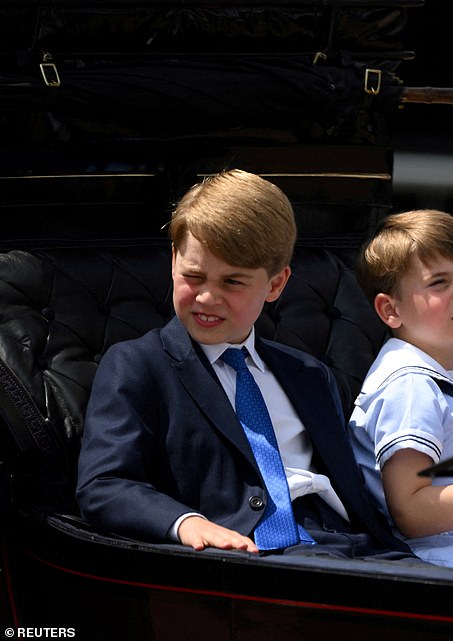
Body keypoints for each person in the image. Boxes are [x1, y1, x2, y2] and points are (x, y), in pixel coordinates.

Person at [76, 169, 411, 561]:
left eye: (232, 283)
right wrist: (187, 523)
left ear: (275, 285)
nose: (206, 297)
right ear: (172, 261)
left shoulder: (308, 375)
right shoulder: (138, 365)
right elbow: (104, 483)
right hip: (249, 557)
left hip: (351, 546)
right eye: (194, 276)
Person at [349, 209, 453, 570]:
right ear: (390, 310)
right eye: (439, 283)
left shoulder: (429, 377)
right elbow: (411, 511)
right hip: (428, 559)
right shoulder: (411, 386)